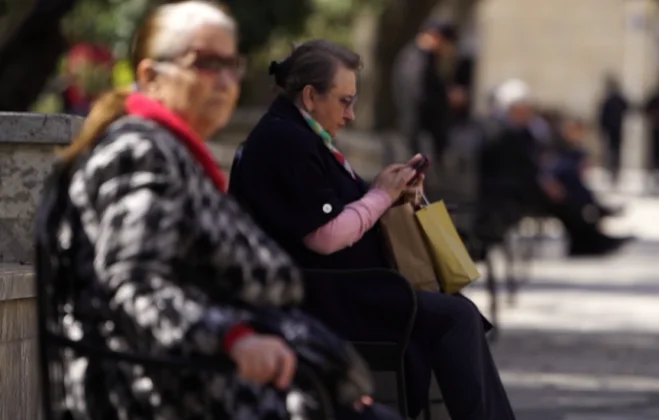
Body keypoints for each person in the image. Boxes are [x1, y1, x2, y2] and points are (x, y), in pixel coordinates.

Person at [42, 2, 396, 419]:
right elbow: (135, 285)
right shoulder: (138, 153)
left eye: (231, 64)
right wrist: (234, 338)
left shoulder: (172, 154)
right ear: (151, 76)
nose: (225, 80)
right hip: (175, 397)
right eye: (206, 63)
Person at [228, 39, 516, 420]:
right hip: (317, 297)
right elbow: (326, 235)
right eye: (345, 101)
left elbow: (341, 207)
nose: (351, 114)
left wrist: (387, 191)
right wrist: (380, 196)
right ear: (311, 95)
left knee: (456, 311)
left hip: (343, 287)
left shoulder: (301, 134)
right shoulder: (284, 140)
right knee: (454, 316)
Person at [478, 78, 629, 257]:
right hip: (517, 193)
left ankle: (591, 234)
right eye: (521, 108)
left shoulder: (523, 130)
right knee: (565, 196)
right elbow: (516, 168)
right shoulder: (502, 133)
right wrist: (543, 181)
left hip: (528, 186)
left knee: (568, 184)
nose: (526, 113)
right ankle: (590, 234)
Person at [393, 21, 463, 165]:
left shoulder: (423, 59)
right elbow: (417, 95)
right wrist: (446, 96)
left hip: (421, 135)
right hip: (418, 136)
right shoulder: (415, 60)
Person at [597, 76, 629, 186]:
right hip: (611, 130)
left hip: (616, 129)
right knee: (611, 152)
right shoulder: (609, 100)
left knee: (614, 152)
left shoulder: (616, 100)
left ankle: (614, 172)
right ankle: (611, 172)